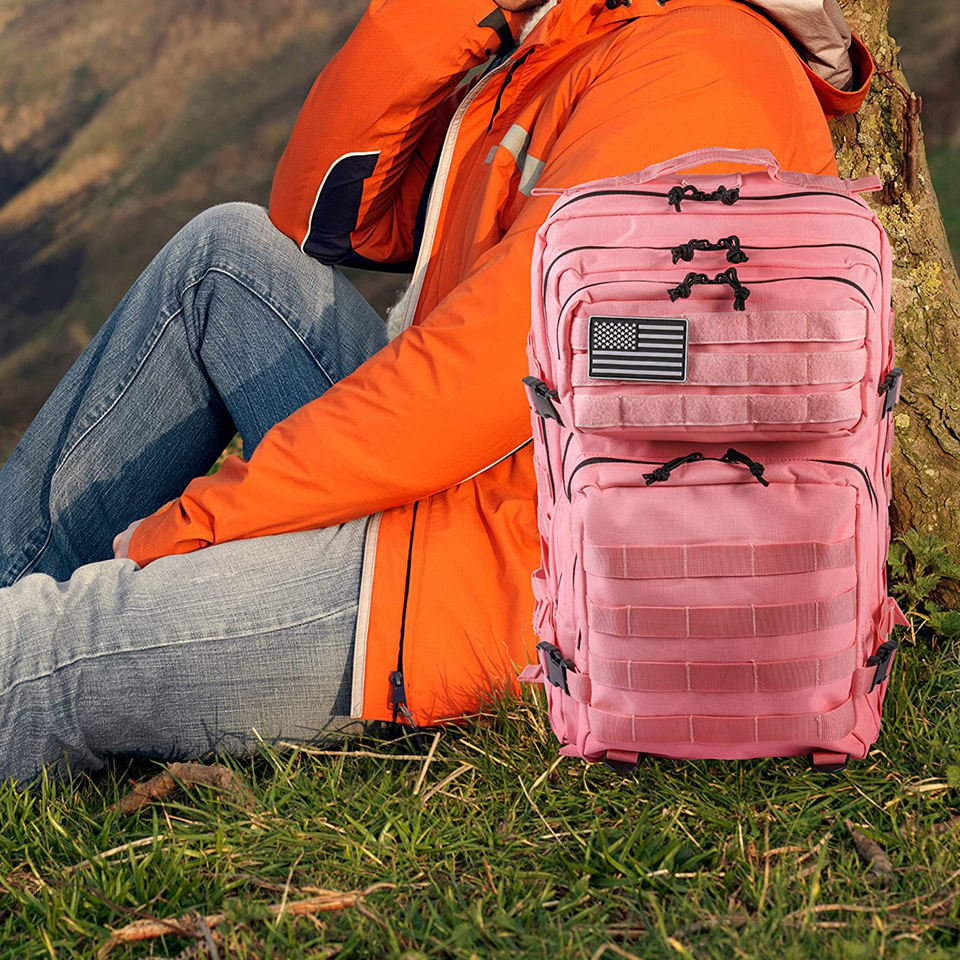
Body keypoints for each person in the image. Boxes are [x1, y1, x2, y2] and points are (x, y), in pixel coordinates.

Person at [0, 0, 873, 782]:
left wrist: (205, 521)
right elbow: (330, 210)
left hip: (536, 579)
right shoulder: (582, 38)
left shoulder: (699, 66)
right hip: (483, 485)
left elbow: (504, 367)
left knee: (49, 649)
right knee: (225, 261)